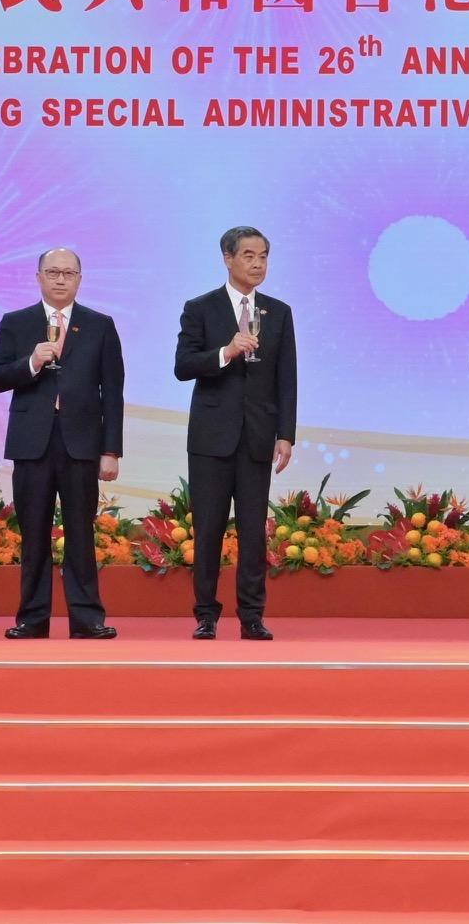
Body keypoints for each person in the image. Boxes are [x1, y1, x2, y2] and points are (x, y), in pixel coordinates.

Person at [0, 248, 125, 640]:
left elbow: (112, 392)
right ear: (38, 277)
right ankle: (32, 619)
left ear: (80, 278)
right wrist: (31, 363)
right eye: (53, 272)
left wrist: (110, 449)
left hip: (82, 444)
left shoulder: (99, 325)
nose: (61, 279)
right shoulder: (17, 323)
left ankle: (87, 619)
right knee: (33, 534)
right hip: (32, 443)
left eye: (68, 273)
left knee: (80, 533)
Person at [175, 226, 296, 640]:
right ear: (228, 258)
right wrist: (225, 352)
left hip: (258, 437)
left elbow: (287, 377)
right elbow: (183, 366)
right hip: (211, 438)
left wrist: (286, 433)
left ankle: (252, 615)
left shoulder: (278, 312)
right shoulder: (200, 308)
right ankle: (206, 614)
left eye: (263, 256)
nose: (257, 263)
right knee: (208, 529)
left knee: (252, 530)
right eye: (248, 255)